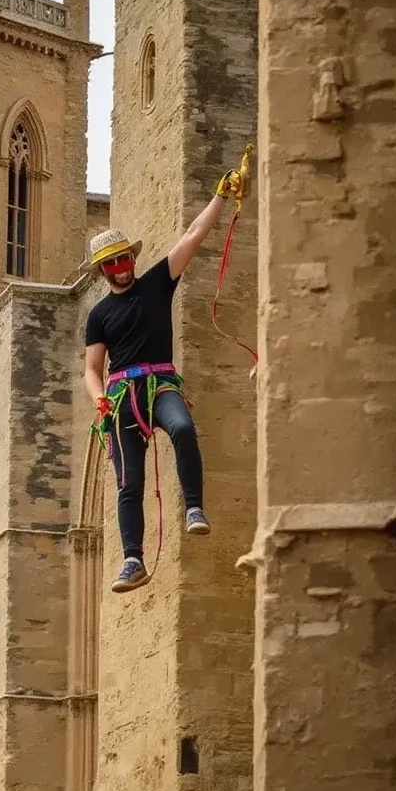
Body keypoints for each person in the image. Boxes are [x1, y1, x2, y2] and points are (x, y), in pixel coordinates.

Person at [83, 165, 246, 593]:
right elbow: (91, 368)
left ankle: (194, 509)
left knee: (183, 427)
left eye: (123, 259)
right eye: (110, 264)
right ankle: (132, 559)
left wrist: (221, 197)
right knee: (128, 481)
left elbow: (192, 236)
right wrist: (99, 398)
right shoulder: (99, 315)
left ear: (132, 258)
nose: (120, 268)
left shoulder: (157, 283)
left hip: (160, 384)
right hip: (121, 396)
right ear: (103, 271)